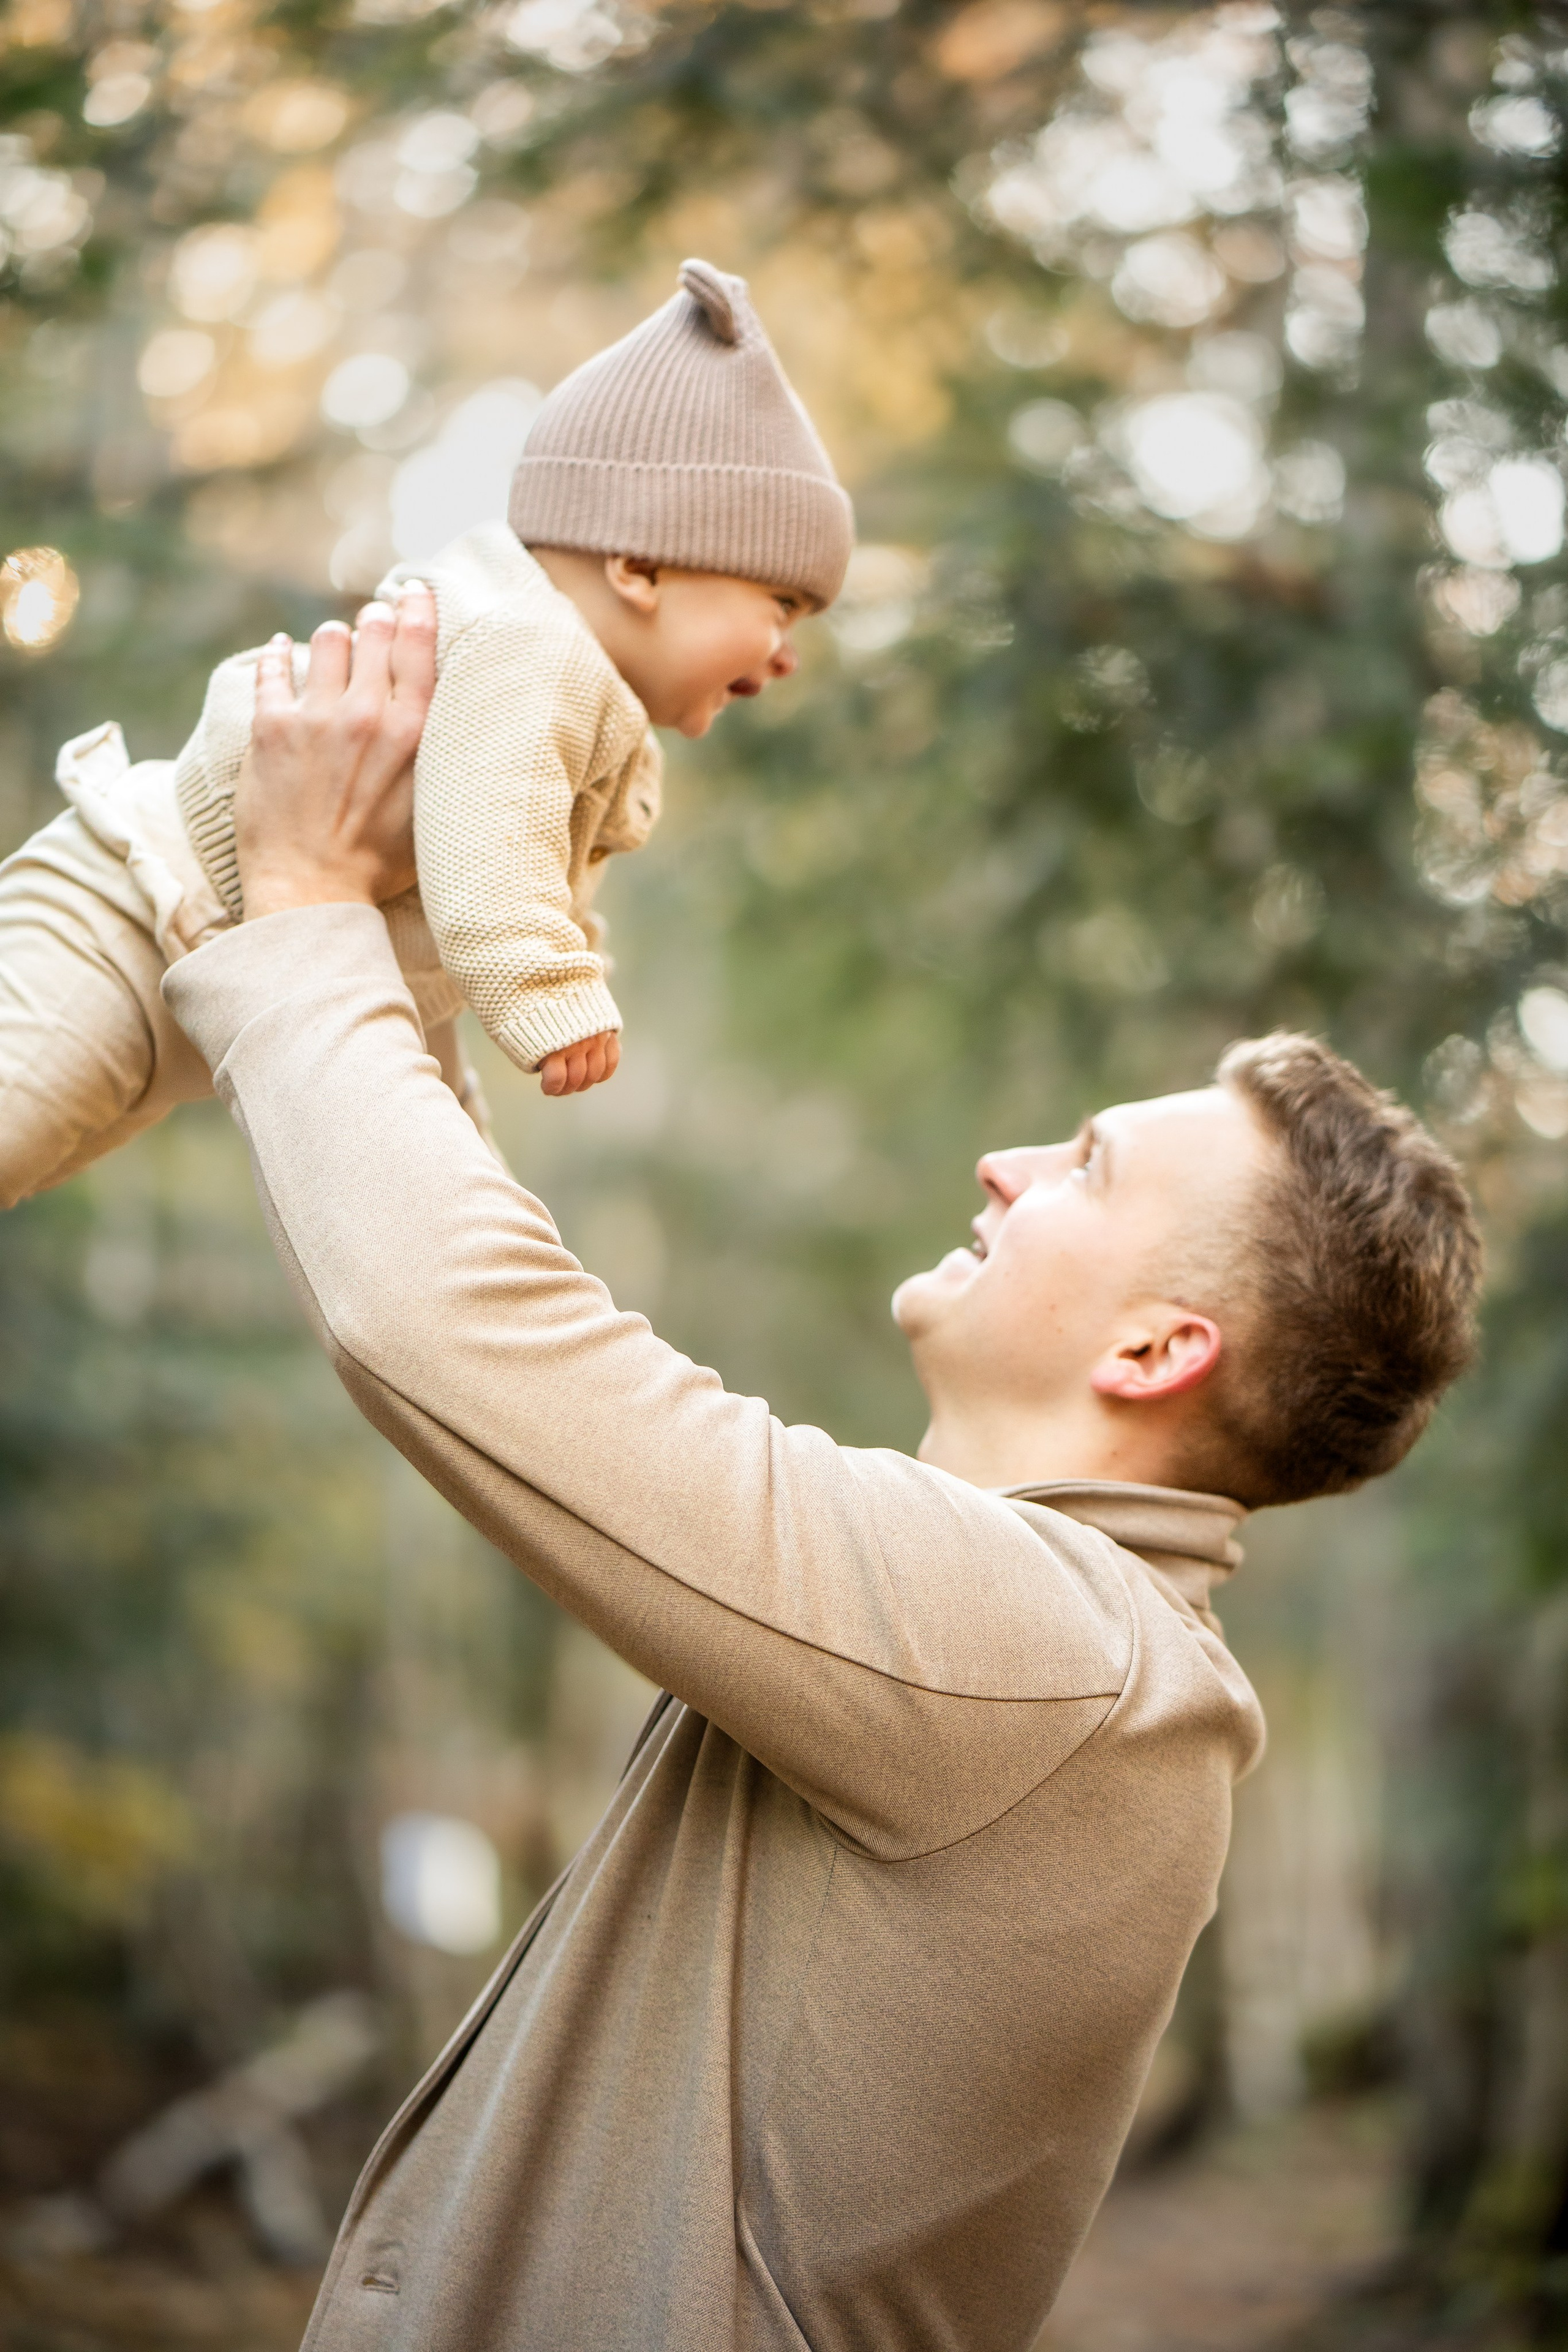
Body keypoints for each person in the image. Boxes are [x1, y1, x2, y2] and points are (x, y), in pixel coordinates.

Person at [162, 604, 1481, 2352]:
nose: (1008, 1164)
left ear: (1159, 1355)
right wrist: (391, 946)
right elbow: (500, 1323)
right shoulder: (1043, 1638)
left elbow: (467, 1332)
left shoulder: (1057, 1656)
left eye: (1084, 1167)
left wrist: (321, 908)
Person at [0, 258, 850, 1213]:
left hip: (203, 972)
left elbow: (513, 879)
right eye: (781, 605)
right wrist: (552, 990)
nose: (785, 657)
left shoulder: (575, 695)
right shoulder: (527, 644)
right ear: (642, 566)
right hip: (121, 918)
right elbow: (486, 840)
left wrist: (567, 961)